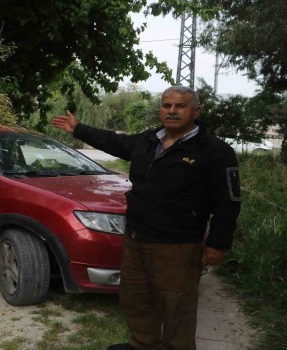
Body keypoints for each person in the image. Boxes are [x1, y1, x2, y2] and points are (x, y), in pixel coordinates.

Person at [50, 86, 241, 350]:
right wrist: (78, 129)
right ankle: (142, 344)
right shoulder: (149, 140)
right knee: (135, 298)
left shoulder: (215, 151)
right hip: (136, 238)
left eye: (180, 106)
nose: (171, 111)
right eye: (166, 105)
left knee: (177, 306)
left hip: (178, 245)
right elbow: (116, 142)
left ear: (195, 111)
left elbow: (228, 201)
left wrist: (218, 243)